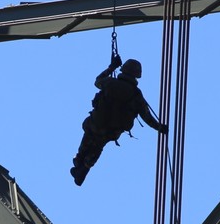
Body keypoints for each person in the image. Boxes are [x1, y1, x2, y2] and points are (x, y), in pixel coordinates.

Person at [70, 54, 167, 185]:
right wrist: (160, 128)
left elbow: (97, 81)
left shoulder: (109, 83)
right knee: (98, 147)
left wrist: (112, 67)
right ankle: (84, 169)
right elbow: (147, 117)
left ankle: (79, 163)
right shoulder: (136, 94)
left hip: (96, 124)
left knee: (86, 144)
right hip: (111, 131)